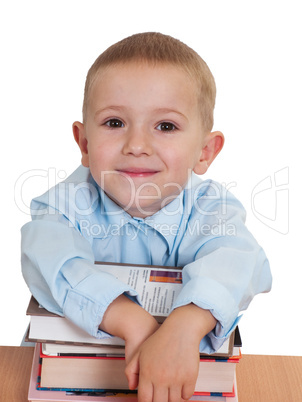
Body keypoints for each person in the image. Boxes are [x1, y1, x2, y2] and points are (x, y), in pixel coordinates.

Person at [21, 32, 272, 402]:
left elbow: (239, 261)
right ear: (85, 144)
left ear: (205, 151)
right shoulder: (62, 206)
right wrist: (132, 320)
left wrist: (184, 327)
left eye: (165, 126)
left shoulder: (213, 207)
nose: (136, 146)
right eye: (114, 123)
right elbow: (51, 258)